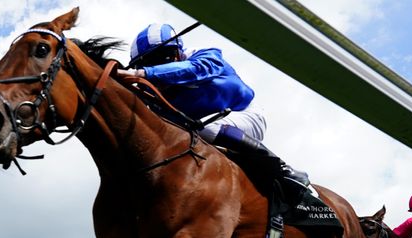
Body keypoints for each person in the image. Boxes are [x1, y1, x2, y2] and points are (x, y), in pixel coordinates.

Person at [118, 23, 310, 194]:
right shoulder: (150, 86)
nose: (155, 67)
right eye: (147, 63)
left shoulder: (206, 56)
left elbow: (195, 69)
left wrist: (141, 72)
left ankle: (283, 168)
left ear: (177, 53)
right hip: (202, 132)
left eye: (160, 59)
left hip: (245, 115)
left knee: (204, 128)